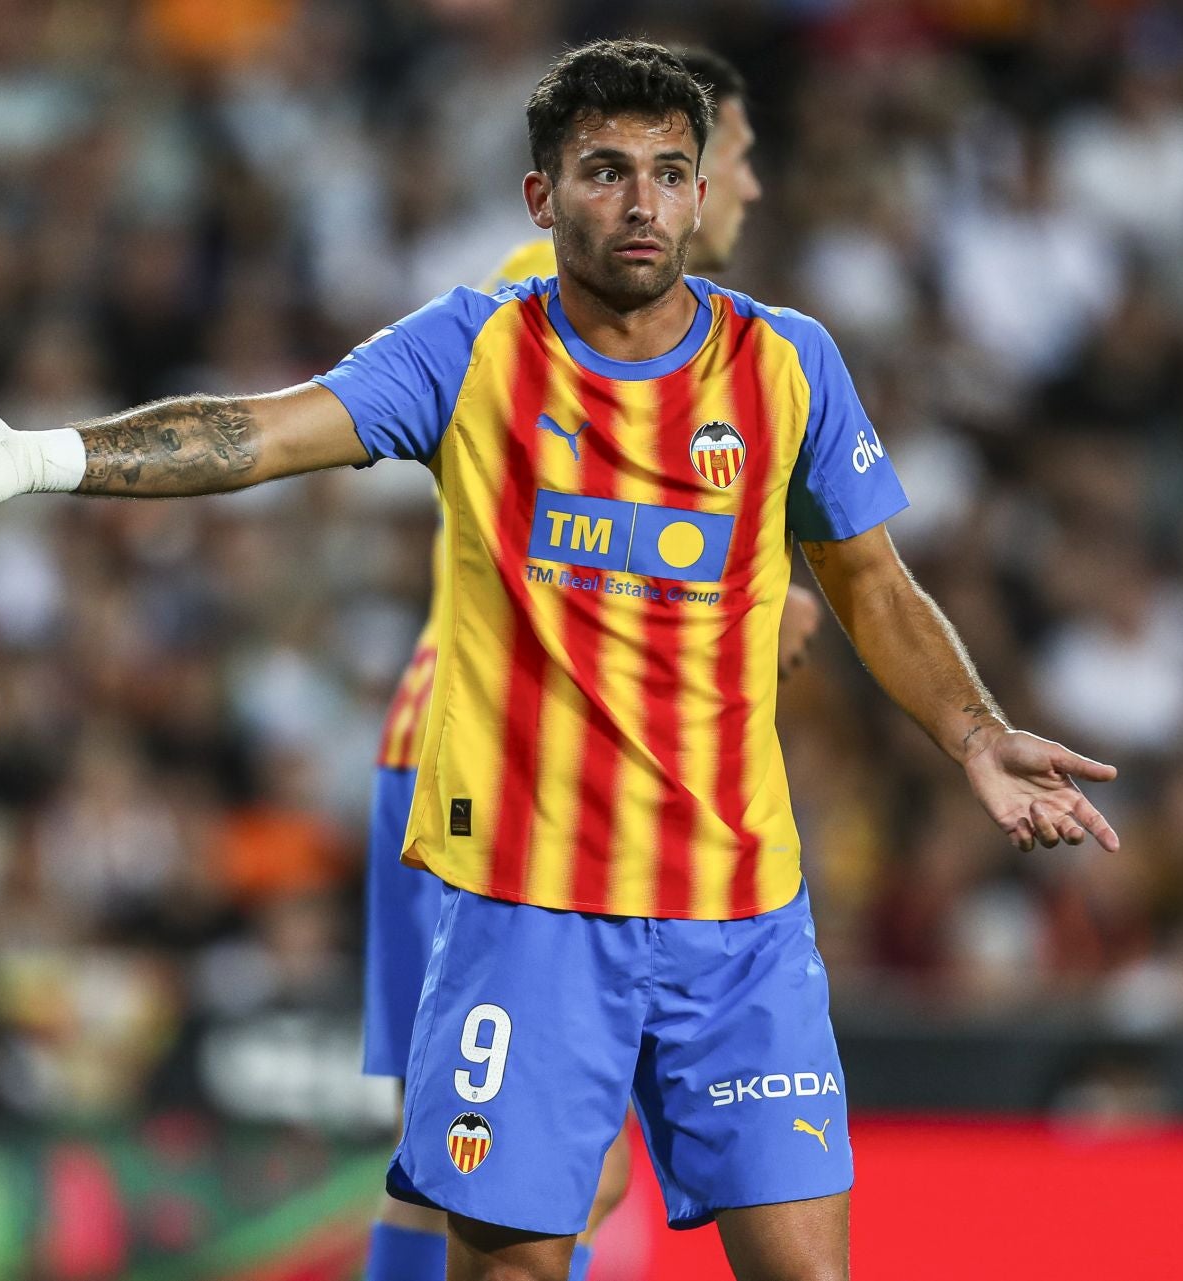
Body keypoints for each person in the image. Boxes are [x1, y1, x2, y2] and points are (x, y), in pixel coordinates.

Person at [0, 40, 1118, 1281]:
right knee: (511, 1265)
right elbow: (252, 432)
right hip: (530, 912)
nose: (643, 202)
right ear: (541, 197)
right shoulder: (471, 352)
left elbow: (871, 585)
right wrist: (36, 457)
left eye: (671, 172)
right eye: (607, 170)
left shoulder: (787, 364)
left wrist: (973, 732)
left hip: (739, 916)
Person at [357, 45, 820, 1281]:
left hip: (585, 795)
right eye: (738, 157)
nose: (744, 189)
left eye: (693, 168)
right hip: (490, 782)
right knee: (477, 1159)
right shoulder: (533, 301)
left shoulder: (739, 351)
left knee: (553, 1163)